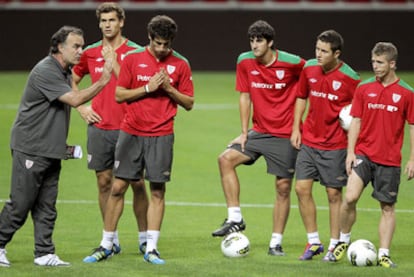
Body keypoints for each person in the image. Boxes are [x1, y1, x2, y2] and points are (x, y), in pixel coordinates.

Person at [84, 15, 194, 265]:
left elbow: (189, 103)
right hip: (131, 132)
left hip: (162, 135)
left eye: (166, 44)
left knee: (157, 190)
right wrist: (147, 88)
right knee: (118, 187)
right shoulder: (133, 59)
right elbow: (120, 94)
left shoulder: (181, 64)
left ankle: (151, 248)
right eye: (158, 43)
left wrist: (168, 88)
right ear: (149, 38)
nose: (162, 49)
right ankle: (106, 244)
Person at [0, 25, 113, 267]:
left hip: (51, 149)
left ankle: (44, 252)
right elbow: (74, 99)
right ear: (59, 47)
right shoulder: (46, 70)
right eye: (76, 46)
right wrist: (104, 79)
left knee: (47, 206)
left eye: (82, 46)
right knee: (21, 203)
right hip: (31, 147)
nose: (81, 50)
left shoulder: (64, 71)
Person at [211, 20, 305, 256]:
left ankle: (275, 243)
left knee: (283, 187)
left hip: (284, 134)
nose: (254, 45)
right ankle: (235, 218)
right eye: (252, 40)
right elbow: (245, 97)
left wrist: (298, 127)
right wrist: (244, 132)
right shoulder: (244, 61)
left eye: (259, 40)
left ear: (270, 42)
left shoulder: (293, 63)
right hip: (259, 131)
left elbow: (313, 75)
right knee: (225, 159)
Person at [72, 2, 149, 262]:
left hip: (131, 127)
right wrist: (81, 107)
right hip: (100, 127)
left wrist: (113, 62)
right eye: (103, 20)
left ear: (122, 22)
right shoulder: (90, 52)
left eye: (112, 20)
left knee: (137, 183)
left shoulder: (137, 52)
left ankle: (144, 239)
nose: (107, 25)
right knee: (104, 182)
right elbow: (70, 78)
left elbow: (138, 86)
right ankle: (111, 239)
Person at [330, 42, 414, 268]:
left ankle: (384, 253)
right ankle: (343, 240)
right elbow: (355, 120)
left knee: (387, 207)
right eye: (373, 62)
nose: (375, 67)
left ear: (392, 64)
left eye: (380, 63)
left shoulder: (406, 93)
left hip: (389, 160)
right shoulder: (364, 89)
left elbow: (413, 126)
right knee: (349, 198)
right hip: (364, 154)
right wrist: (350, 152)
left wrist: (412, 158)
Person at [290, 30, 360, 261]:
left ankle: (334, 244)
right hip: (310, 140)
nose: (318, 55)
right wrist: (296, 128)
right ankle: (313, 242)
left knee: (333, 194)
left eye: (324, 51)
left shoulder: (351, 79)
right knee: (301, 189)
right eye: (317, 49)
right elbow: (301, 96)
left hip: (335, 144)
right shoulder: (309, 68)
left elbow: (359, 114)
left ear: (336, 53)